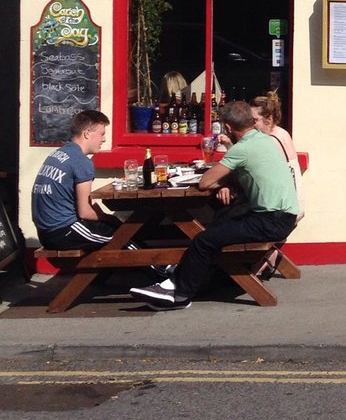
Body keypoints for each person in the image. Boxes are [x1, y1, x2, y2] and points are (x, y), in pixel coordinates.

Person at [130, 100, 299, 310]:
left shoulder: (243, 149)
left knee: (204, 240)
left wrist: (222, 180)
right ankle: (180, 278)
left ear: (228, 127)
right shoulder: (264, 140)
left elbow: (204, 182)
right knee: (221, 221)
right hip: (284, 216)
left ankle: (181, 295)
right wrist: (227, 181)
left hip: (271, 221)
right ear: (251, 120)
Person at [31, 109, 121, 249]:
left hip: (46, 232)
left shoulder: (59, 154)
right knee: (122, 235)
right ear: (87, 134)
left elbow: (85, 204)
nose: (103, 139)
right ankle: (164, 269)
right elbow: (85, 212)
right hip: (63, 231)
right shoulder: (81, 161)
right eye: (101, 134)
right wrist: (110, 218)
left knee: (118, 229)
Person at [250, 91, 304, 277]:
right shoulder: (282, 133)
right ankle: (269, 257)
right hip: (295, 201)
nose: (251, 124)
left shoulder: (270, 141)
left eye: (254, 119)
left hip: (281, 207)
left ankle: (267, 257)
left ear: (268, 118)